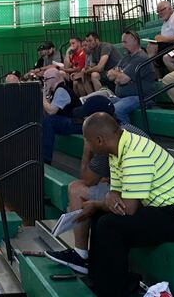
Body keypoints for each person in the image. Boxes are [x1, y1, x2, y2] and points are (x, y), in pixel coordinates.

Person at [57, 113, 174, 297]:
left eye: (87, 140)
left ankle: (117, 290)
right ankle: (99, 280)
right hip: (164, 210)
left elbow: (127, 208)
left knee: (110, 226)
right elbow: (117, 195)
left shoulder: (135, 152)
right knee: (101, 217)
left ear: (99, 140)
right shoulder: (117, 150)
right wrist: (107, 198)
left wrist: (99, 202)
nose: (86, 144)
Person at [44, 96, 149, 275]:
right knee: (96, 186)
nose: (84, 122)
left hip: (140, 198)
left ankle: (80, 255)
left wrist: (87, 150)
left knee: (76, 189)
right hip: (141, 190)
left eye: (87, 119)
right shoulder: (124, 130)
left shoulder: (107, 142)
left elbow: (86, 179)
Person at [106, 31, 156, 124]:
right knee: (102, 105)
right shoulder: (126, 58)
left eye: (125, 42)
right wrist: (119, 74)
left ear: (135, 40)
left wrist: (118, 74)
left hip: (141, 97)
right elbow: (109, 75)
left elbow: (122, 79)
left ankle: (129, 136)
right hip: (123, 97)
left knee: (117, 110)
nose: (123, 46)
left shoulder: (141, 58)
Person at [41, 68, 82, 164]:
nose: (44, 82)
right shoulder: (58, 90)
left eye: (45, 79)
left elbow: (51, 111)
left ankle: (46, 159)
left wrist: (42, 96)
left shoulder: (61, 90)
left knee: (49, 121)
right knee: (46, 120)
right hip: (70, 121)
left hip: (76, 123)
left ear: (53, 79)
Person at [145, 0, 174, 77]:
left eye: (162, 10)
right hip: (167, 46)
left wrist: (163, 39)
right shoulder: (166, 21)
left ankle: (159, 76)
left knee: (152, 47)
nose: (160, 13)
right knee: (148, 48)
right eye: (158, 11)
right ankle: (156, 74)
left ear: (170, 8)